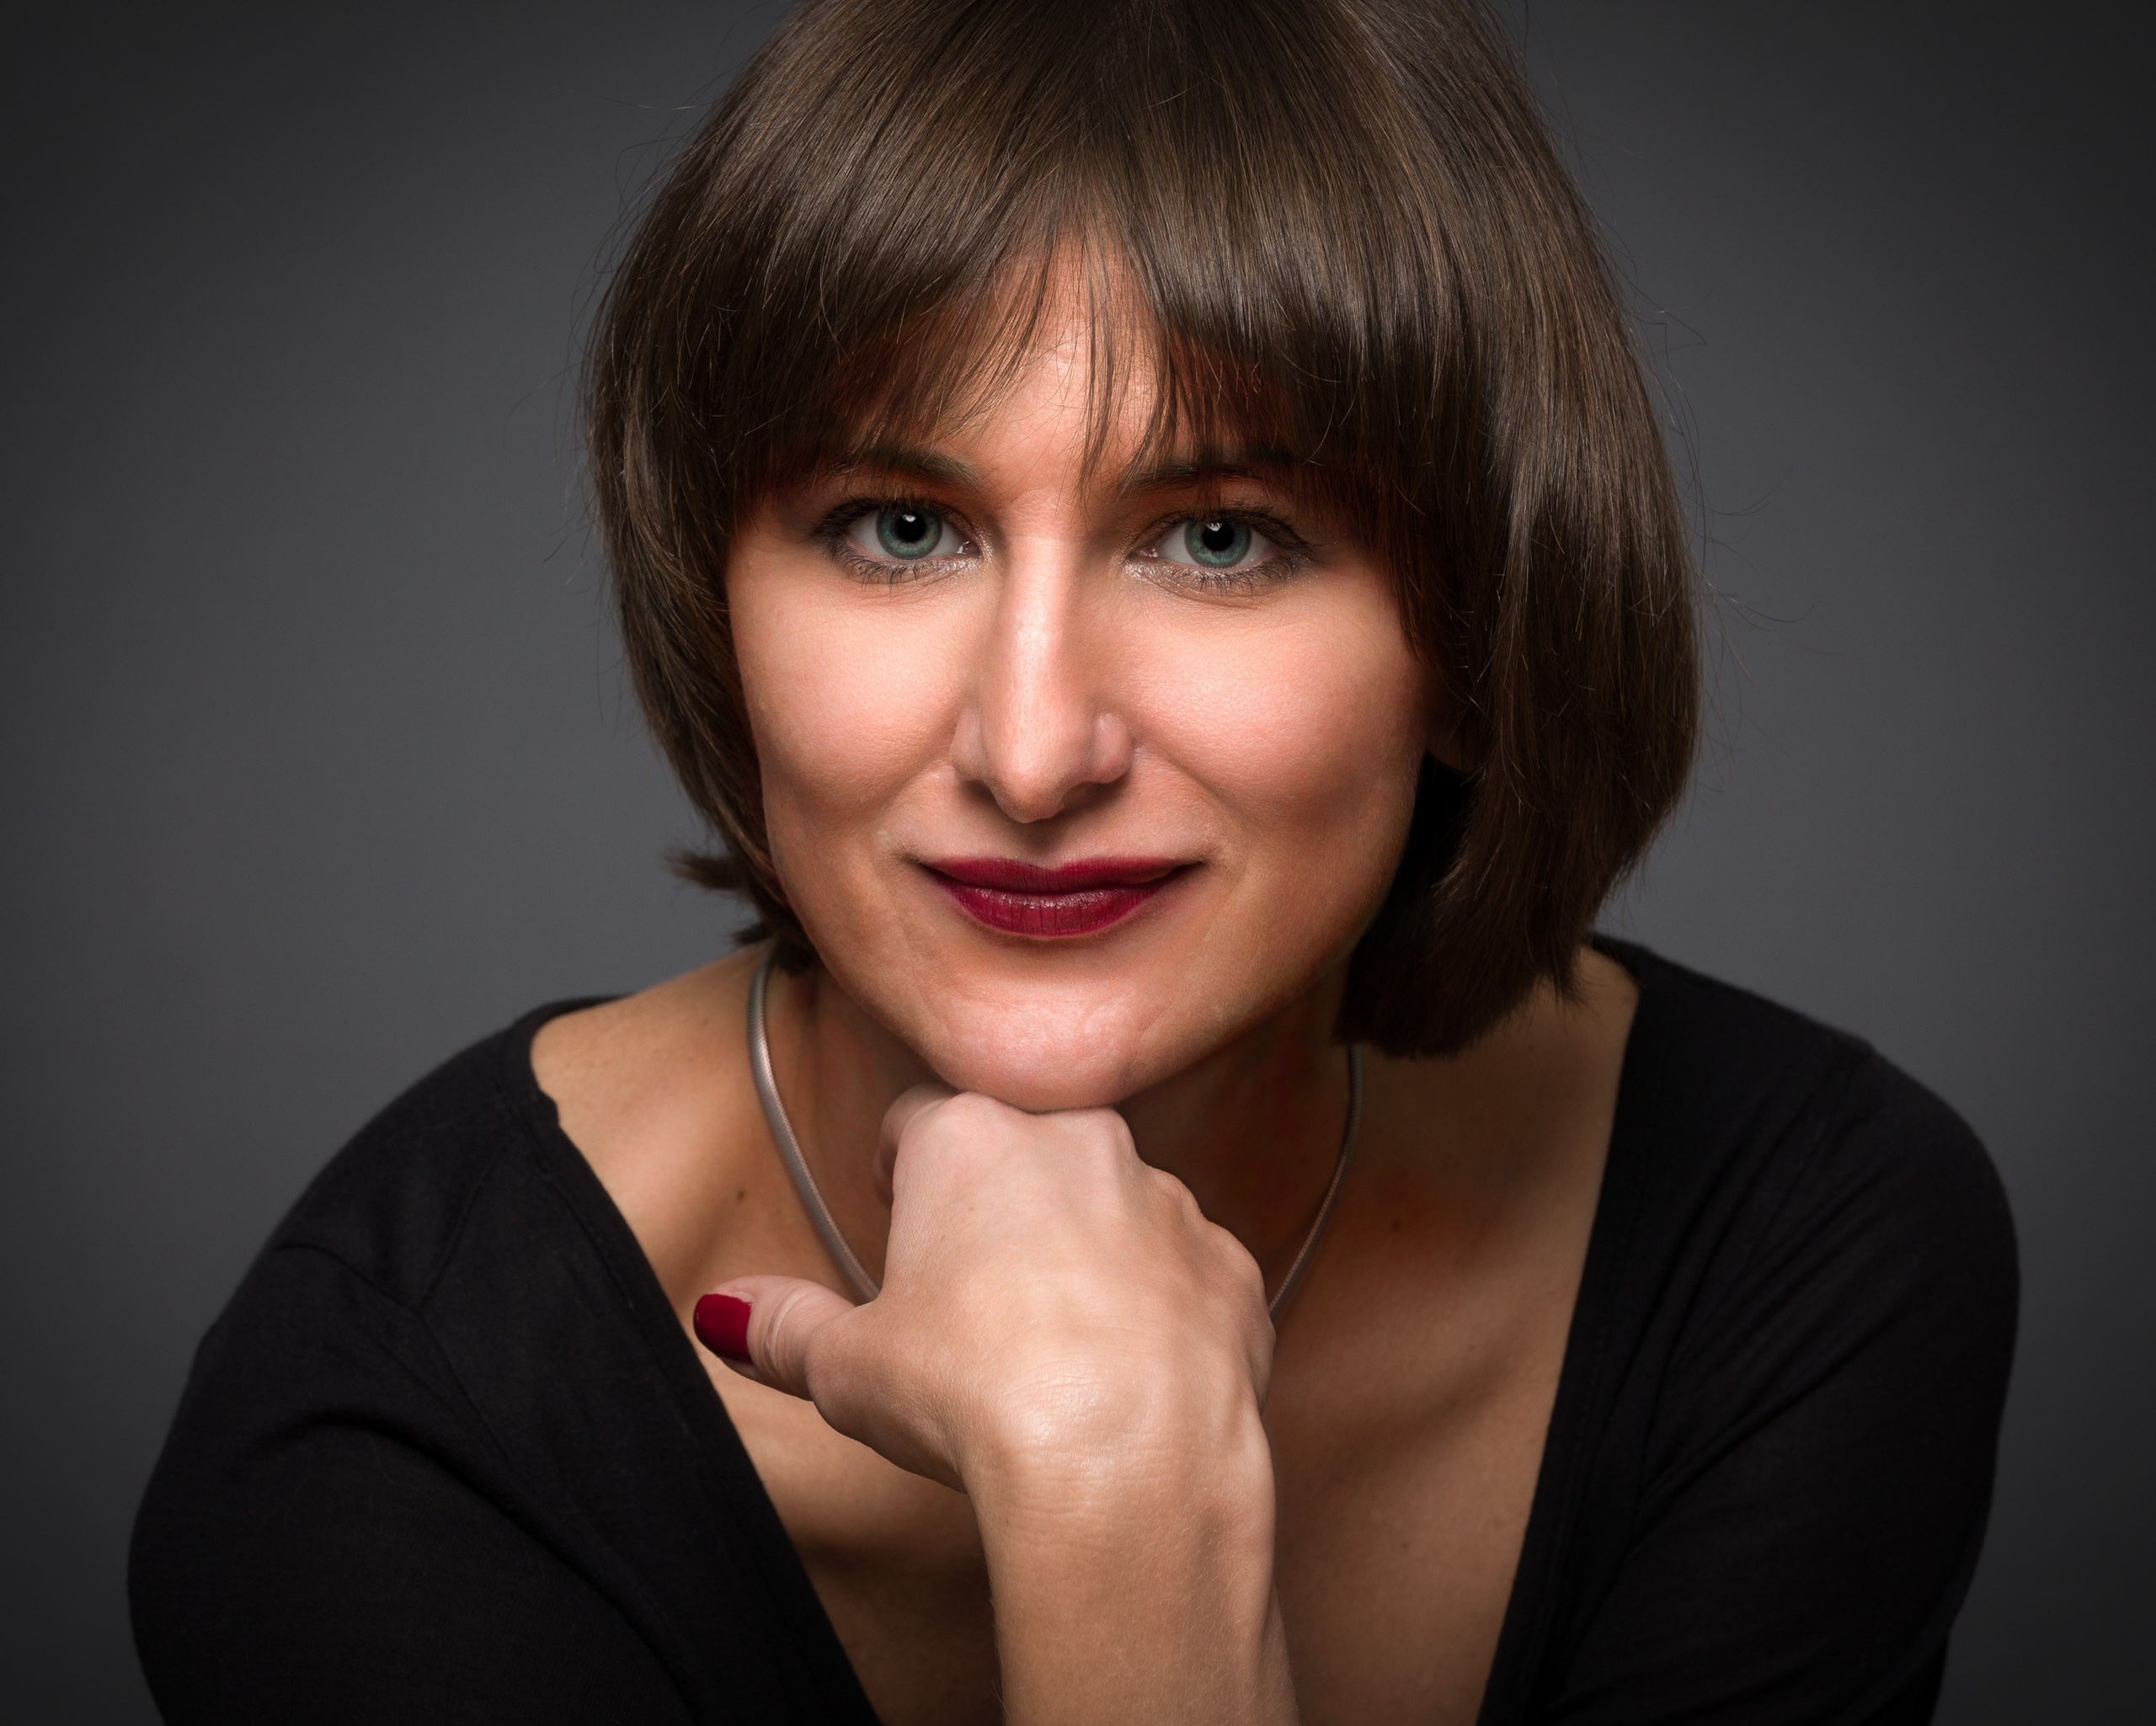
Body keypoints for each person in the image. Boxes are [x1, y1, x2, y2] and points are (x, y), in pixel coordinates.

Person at [128, 1, 2017, 1721]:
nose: (1031, 752)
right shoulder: (395, 1426)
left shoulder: (1805, 1242)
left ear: (1474, 625)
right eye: (895, 523)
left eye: (1217, 539)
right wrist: (1129, 1501)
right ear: (716, 601)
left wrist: (1115, 1502)